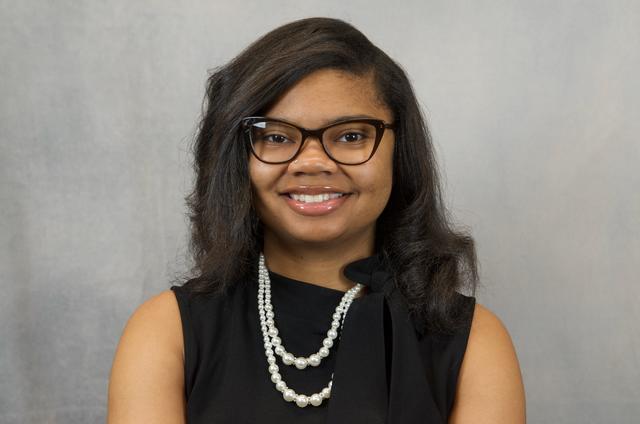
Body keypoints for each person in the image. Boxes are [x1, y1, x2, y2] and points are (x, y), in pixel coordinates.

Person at [107, 17, 525, 423]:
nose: (312, 162)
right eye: (275, 137)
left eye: (350, 136)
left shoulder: (475, 343)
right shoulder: (165, 333)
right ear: (236, 158)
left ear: (401, 152)